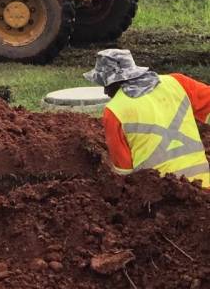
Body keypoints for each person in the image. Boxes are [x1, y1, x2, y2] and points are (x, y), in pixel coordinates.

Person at [84, 48, 210, 188]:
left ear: (114, 82)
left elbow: (124, 170)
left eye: (105, 84)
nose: (105, 92)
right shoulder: (177, 83)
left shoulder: (114, 110)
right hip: (203, 190)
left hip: (159, 197)